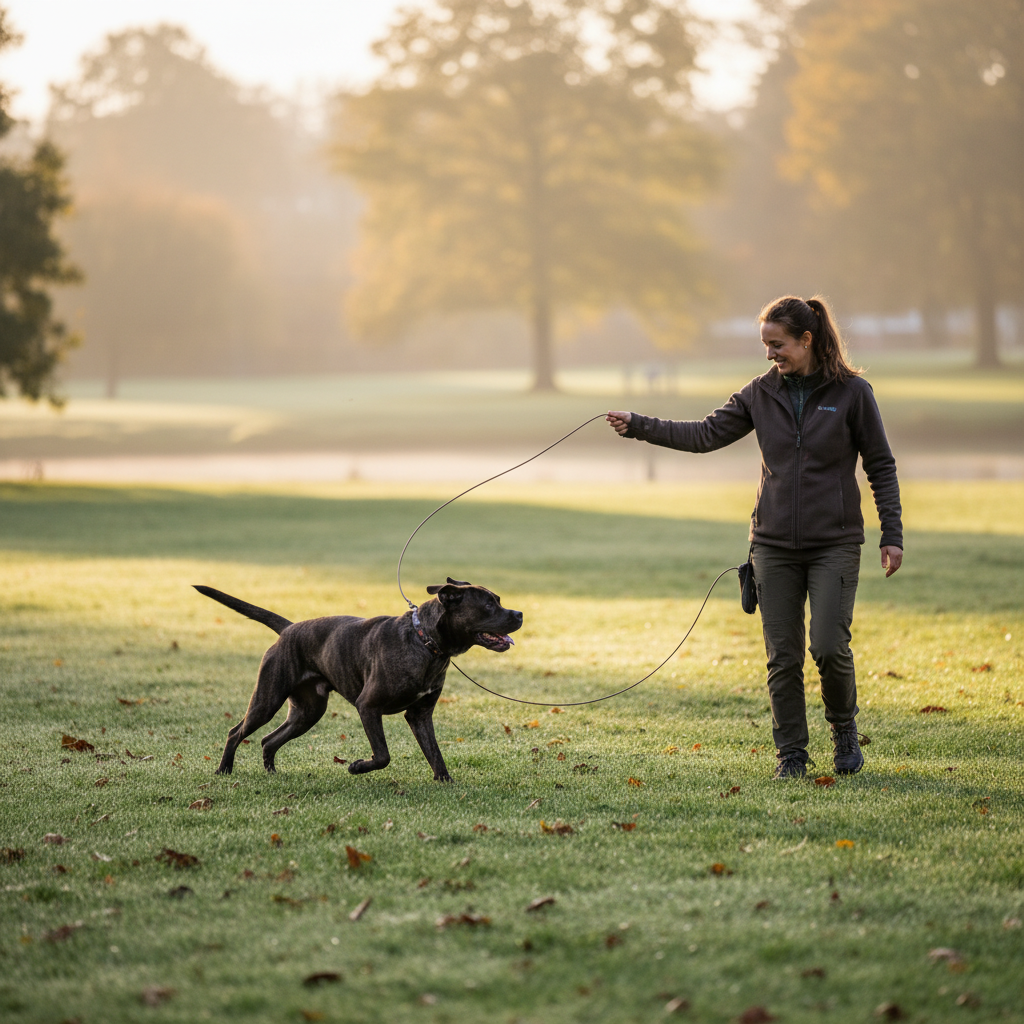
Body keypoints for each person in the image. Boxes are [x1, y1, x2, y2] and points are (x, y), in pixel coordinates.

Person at [607, 295, 903, 779]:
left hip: (836, 542)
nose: (770, 354)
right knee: (782, 658)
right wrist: (640, 426)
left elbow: (881, 465)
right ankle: (792, 755)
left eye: (778, 344)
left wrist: (892, 532)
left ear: (807, 340)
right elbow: (704, 434)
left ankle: (844, 729)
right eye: (765, 345)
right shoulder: (759, 394)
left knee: (829, 646)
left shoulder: (853, 393)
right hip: (771, 546)